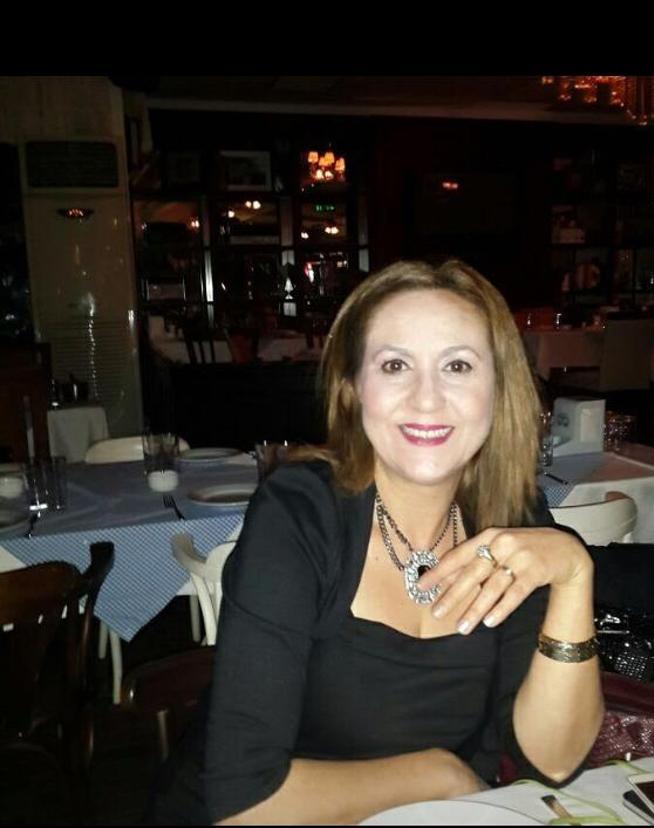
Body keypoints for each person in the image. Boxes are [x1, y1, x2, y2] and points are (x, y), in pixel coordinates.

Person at [146, 259, 603, 825]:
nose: (427, 399)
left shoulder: (511, 519)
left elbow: (554, 759)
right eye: (395, 365)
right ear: (353, 389)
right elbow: (242, 804)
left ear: (498, 389)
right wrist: (440, 776)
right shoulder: (300, 513)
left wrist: (574, 575)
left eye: (458, 365)